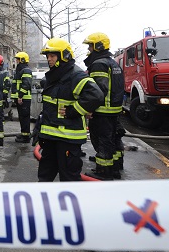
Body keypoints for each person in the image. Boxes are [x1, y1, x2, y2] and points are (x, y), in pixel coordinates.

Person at [31, 38, 104, 182]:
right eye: (48, 56)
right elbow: (49, 106)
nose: (49, 59)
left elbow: (96, 95)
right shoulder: (54, 75)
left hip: (68, 139)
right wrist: (39, 128)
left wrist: (73, 110)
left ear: (64, 56)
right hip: (50, 138)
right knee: (44, 176)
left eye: (52, 56)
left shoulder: (75, 75)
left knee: (69, 178)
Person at [83, 32, 125, 180]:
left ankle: (103, 171)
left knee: (102, 140)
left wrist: (90, 108)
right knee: (113, 138)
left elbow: (98, 90)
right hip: (114, 109)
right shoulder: (112, 63)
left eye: (90, 46)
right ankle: (115, 166)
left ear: (98, 46)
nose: (89, 49)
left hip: (102, 110)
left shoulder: (99, 64)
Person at [11, 51, 33, 142]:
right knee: (22, 117)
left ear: (22, 60)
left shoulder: (26, 70)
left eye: (18, 59)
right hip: (21, 98)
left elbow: (26, 84)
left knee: (24, 117)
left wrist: (20, 96)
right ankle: (24, 133)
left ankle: (26, 137)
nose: (16, 61)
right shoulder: (20, 70)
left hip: (24, 98)